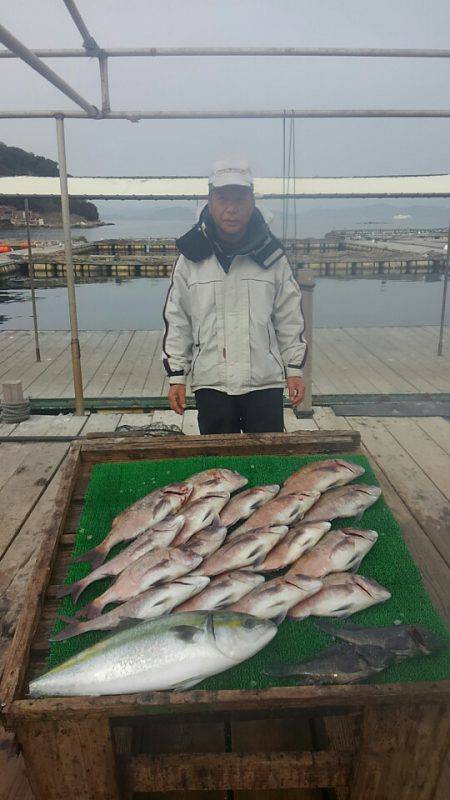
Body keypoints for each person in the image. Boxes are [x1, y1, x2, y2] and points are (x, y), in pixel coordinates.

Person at [162, 158, 307, 434]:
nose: (231, 209)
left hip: (265, 382)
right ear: (209, 200)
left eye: (240, 198)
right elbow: (177, 319)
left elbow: (289, 318)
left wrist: (294, 370)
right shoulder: (191, 256)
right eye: (222, 198)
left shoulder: (272, 256)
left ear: (252, 202)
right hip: (212, 383)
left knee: (268, 461)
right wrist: (177, 376)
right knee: (219, 466)